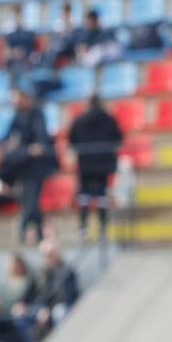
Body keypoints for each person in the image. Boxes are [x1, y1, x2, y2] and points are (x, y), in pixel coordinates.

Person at [0, 88, 54, 244]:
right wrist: (24, 151)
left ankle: (23, 233)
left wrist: (21, 150)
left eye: (17, 98)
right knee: (28, 202)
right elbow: (6, 141)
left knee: (30, 202)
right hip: (21, 167)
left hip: (36, 168)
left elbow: (40, 145)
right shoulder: (16, 117)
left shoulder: (37, 115)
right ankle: (39, 234)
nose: (15, 102)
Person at [67, 97, 124, 241]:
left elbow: (71, 140)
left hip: (85, 165)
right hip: (103, 165)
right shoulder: (109, 119)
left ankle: (83, 229)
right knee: (101, 197)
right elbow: (118, 138)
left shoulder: (79, 120)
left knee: (84, 197)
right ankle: (103, 230)